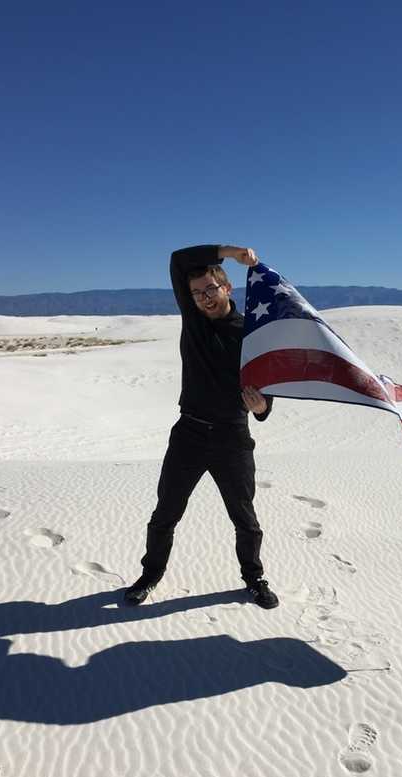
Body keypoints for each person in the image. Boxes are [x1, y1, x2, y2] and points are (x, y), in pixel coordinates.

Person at [123, 244, 279, 610]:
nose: (204, 298)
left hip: (232, 437)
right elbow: (178, 259)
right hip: (189, 434)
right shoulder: (193, 322)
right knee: (165, 513)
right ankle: (150, 575)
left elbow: (266, 391)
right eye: (196, 293)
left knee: (245, 518)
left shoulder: (251, 334)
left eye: (210, 289)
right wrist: (230, 251)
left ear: (227, 289)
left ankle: (253, 578)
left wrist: (262, 408)